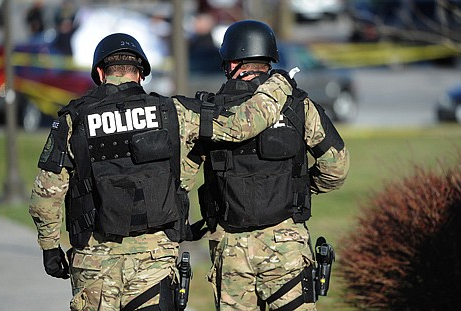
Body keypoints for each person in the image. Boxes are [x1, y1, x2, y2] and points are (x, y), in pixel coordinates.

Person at [29, 32, 294, 311]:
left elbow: (45, 195)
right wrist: (279, 85)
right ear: (141, 74)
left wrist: (49, 248)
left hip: (94, 263)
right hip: (153, 261)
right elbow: (243, 125)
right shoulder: (174, 113)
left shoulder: (73, 121)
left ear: (99, 72)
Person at [190, 20, 350, 310]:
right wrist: (298, 187)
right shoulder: (299, 106)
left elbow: (182, 176)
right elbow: (336, 167)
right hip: (286, 244)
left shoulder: (211, 113)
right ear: (268, 60)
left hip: (231, 246)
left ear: (233, 62)